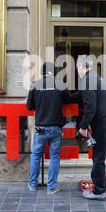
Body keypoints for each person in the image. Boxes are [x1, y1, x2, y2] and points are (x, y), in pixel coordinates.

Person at [70, 55, 106, 200]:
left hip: (101, 123)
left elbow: (90, 107)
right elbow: (82, 95)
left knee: (98, 157)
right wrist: (65, 98)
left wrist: (83, 126)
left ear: (81, 66)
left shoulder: (87, 81)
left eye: (77, 67)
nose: (77, 71)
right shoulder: (97, 78)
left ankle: (99, 191)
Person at [26, 62, 69, 195]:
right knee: (54, 156)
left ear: (42, 72)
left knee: (36, 155)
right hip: (56, 127)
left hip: (41, 128)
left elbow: (29, 106)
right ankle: (51, 187)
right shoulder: (61, 85)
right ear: (53, 72)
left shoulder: (34, 85)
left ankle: (33, 184)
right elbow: (67, 101)